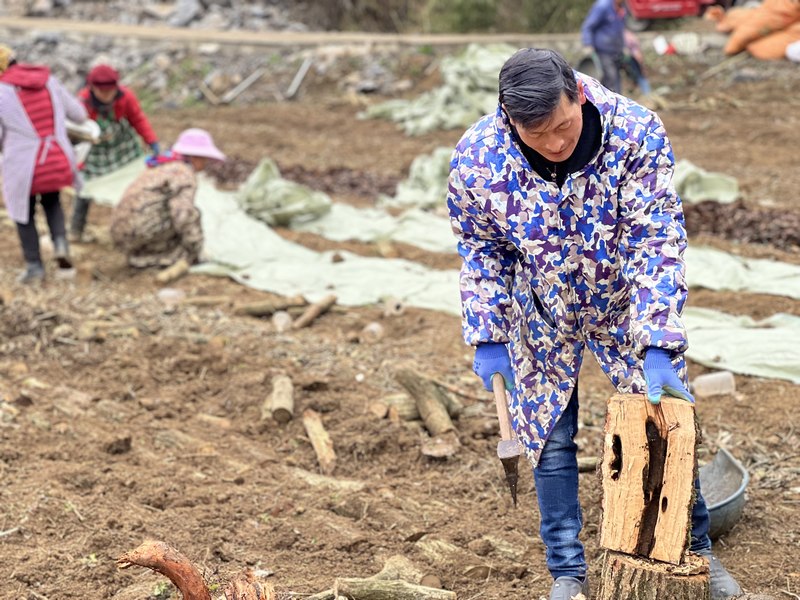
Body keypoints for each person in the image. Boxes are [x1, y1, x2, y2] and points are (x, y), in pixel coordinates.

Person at [446, 48, 742, 600]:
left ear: (577, 94)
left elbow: (655, 241)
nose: (555, 143)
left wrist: (657, 340)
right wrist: (487, 334)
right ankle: (567, 571)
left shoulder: (635, 133)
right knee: (550, 440)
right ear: (510, 121)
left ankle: (695, 550)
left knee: (665, 423)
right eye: (538, 137)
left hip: (624, 307)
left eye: (563, 126)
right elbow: (482, 250)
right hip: (542, 311)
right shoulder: (478, 159)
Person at [0, 44, 88, 283]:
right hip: (56, 157)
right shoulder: (49, 81)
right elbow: (79, 114)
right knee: (52, 200)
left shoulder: (2, 92)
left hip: (22, 164)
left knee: (23, 213)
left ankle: (34, 267)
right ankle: (60, 243)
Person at [110, 128, 224, 269]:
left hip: (122, 234)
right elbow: (183, 214)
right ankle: (160, 257)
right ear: (195, 157)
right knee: (193, 215)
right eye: (205, 159)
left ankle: (142, 255)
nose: (206, 164)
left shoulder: (160, 166)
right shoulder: (183, 173)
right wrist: (195, 249)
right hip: (141, 232)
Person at [70, 64, 160, 241]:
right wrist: (78, 161)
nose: (106, 96)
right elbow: (75, 133)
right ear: (92, 88)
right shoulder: (81, 103)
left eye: (110, 91)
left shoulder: (126, 97)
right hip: (94, 149)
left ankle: (134, 228)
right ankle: (76, 230)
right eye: (101, 92)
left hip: (122, 147)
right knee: (85, 187)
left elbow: (138, 119)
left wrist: (152, 141)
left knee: (132, 186)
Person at [581, 0, 625, 93]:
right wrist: (588, 44)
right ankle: (608, 104)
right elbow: (588, 26)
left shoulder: (621, 7)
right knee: (610, 77)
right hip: (603, 51)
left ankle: (617, 102)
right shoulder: (602, 6)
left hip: (616, 51)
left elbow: (621, 28)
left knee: (616, 80)